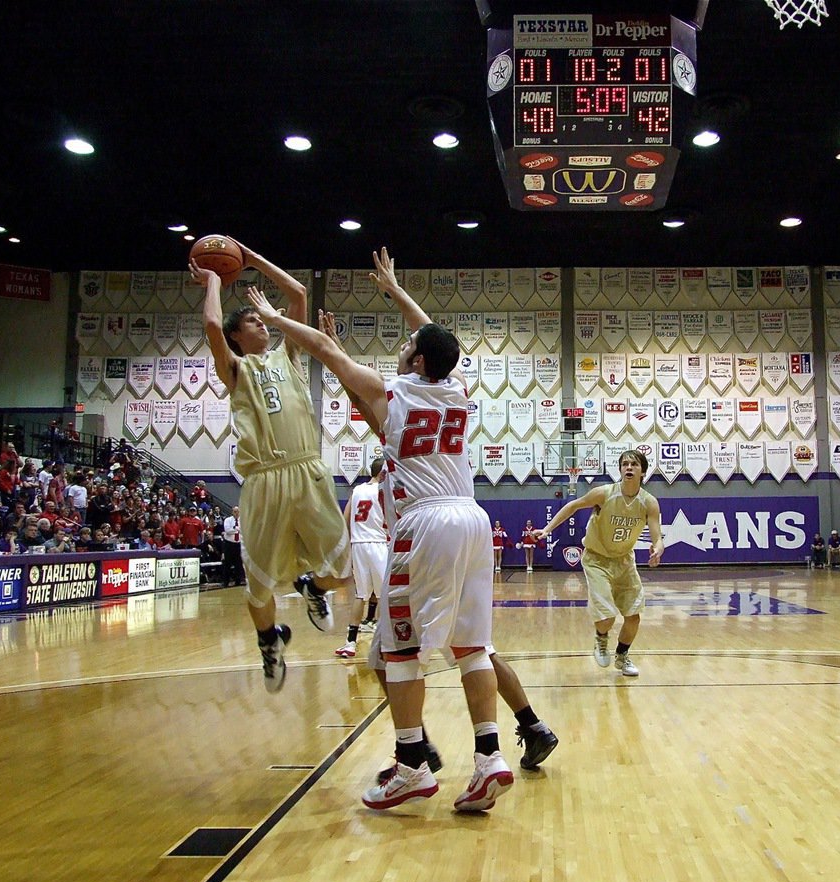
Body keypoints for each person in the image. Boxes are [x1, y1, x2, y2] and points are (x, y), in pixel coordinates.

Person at [244, 246, 514, 812]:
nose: (404, 343)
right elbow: (436, 338)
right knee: (472, 646)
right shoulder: (455, 390)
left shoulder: (395, 391)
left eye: (408, 345)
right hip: (472, 517)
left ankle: (412, 765)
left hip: (424, 523)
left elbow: (319, 348)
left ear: (416, 362)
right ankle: (489, 756)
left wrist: (272, 319)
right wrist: (394, 291)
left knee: (400, 651)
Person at [191, 240, 351, 694]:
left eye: (264, 321)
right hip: (263, 479)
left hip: (308, 471)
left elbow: (298, 294)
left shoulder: (288, 355)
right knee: (257, 589)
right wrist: (216, 281)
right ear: (239, 336)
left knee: (341, 573)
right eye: (254, 322)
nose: (264, 324)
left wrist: (253, 258)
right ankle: (269, 638)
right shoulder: (236, 369)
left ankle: (313, 588)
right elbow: (209, 325)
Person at [532, 448, 664, 678]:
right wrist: (546, 530)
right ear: (620, 470)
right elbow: (573, 506)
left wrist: (658, 549)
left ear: (643, 471)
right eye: (625, 464)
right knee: (607, 617)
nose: (629, 468)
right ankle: (601, 639)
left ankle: (622, 657)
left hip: (624, 560)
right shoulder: (605, 493)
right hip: (597, 559)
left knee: (633, 616)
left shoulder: (649, 503)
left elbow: (657, 536)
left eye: (634, 464)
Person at [338, 459, 386, 660]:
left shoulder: (356, 490)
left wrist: (351, 541)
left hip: (358, 544)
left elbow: (345, 516)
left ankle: (350, 643)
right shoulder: (383, 492)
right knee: (386, 594)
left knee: (361, 595)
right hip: (377, 543)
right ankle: (385, 642)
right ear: (383, 473)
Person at [221, 505, 245, 586]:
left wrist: (235, 529)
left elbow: (243, 530)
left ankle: (238, 581)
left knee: (238, 563)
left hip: (238, 544)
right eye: (235, 511)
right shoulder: (228, 520)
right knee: (227, 563)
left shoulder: (242, 521)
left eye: (238, 511)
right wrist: (237, 529)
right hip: (229, 544)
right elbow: (227, 530)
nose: (236, 513)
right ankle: (225, 582)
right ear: (232, 512)